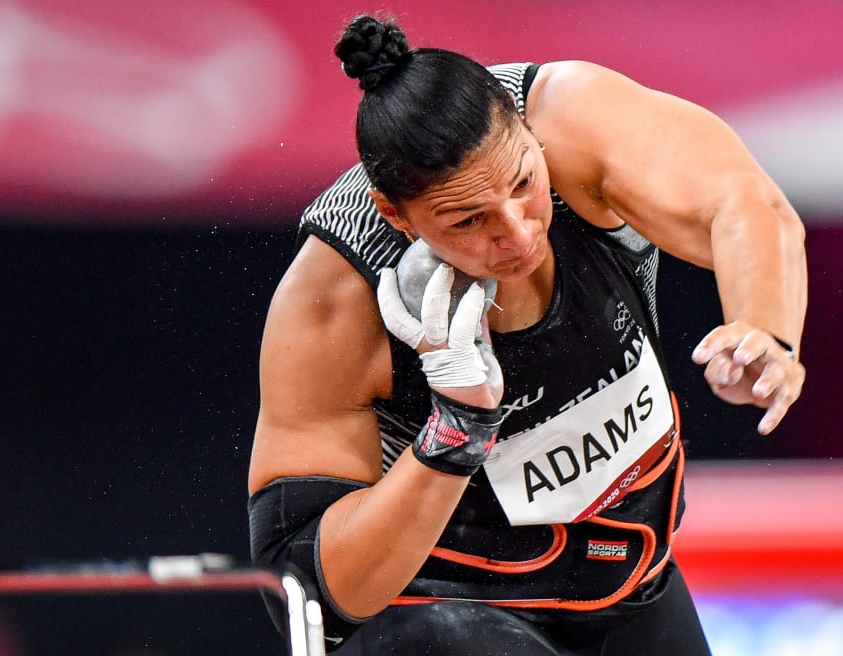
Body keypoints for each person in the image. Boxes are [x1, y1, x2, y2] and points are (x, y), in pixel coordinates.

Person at [248, 14, 806, 656]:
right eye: (468, 220)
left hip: (628, 581)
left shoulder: (576, 117)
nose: (516, 235)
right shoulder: (335, 298)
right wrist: (456, 431)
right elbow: (304, 592)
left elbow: (742, 201)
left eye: (523, 185)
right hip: (441, 615)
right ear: (394, 215)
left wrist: (766, 328)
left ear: (529, 134)